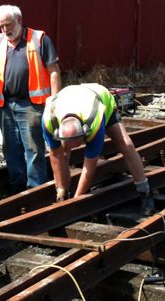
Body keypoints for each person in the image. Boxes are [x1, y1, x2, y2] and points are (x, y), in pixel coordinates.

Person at [0, 4, 61, 194]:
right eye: (1, 26)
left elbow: (54, 72)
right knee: (10, 149)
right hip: (6, 106)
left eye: (8, 24)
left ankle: (35, 190)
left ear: (19, 21)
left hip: (32, 105)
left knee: (33, 150)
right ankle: (17, 189)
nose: (5, 30)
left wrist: (54, 102)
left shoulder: (39, 39)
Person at [42, 83, 155, 216]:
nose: (73, 146)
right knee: (64, 151)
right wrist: (60, 189)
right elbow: (55, 155)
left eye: (76, 143)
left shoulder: (94, 120)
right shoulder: (49, 120)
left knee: (126, 144)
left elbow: (89, 166)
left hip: (101, 99)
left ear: (85, 132)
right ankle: (65, 192)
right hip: (71, 99)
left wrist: (77, 200)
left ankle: (145, 192)